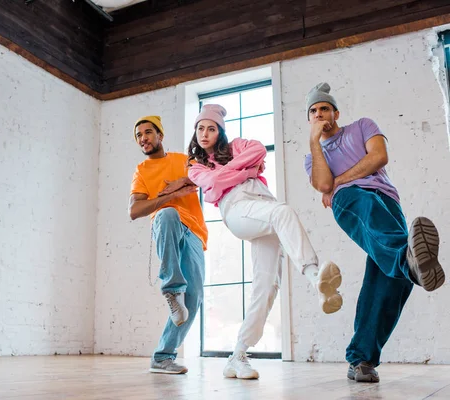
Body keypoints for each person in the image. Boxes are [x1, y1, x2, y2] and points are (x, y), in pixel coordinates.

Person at [187, 104, 342, 380]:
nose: (205, 133)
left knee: (267, 286)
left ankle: (238, 354)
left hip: (264, 208)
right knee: (284, 212)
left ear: (220, 132)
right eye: (201, 128)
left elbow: (258, 150)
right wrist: (246, 171)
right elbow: (212, 182)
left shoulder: (236, 145)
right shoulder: (196, 166)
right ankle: (316, 276)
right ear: (196, 132)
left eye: (211, 128)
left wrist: (234, 171)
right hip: (238, 210)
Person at [304, 82, 445, 383]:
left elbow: (378, 157)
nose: (319, 114)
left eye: (324, 108)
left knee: (388, 278)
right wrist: (315, 144)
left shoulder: (362, 126)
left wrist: (339, 177)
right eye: (313, 111)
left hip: (389, 201)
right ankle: (409, 264)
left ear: (336, 112)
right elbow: (325, 186)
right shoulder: (311, 157)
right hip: (351, 200)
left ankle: (361, 359)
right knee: (377, 221)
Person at [128, 115, 207, 374]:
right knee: (169, 212)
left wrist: (182, 181)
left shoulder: (181, 160)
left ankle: (162, 357)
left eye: (148, 132)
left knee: (194, 299)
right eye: (139, 135)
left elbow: (205, 175)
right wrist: (171, 196)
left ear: (160, 135)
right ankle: (172, 289)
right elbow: (134, 210)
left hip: (194, 231)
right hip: (167, 225)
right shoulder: (142, 171)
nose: (143, 138)